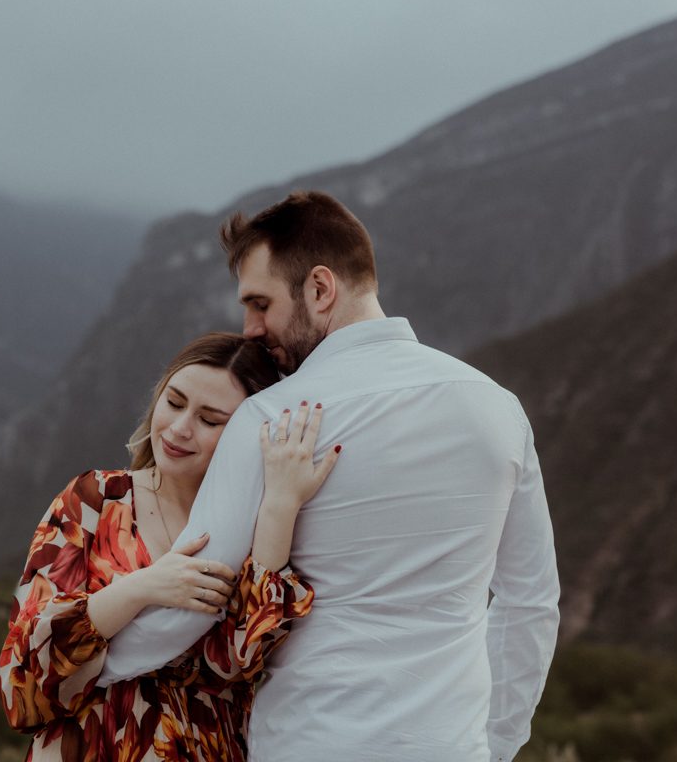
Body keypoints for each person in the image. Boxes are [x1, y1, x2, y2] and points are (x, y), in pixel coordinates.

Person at [99, 192, 560, 762]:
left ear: (320, 289)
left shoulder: (271, 419)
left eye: (260, 303)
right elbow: (530, 601)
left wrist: (87, 661)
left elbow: (195, 600)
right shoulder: (497, 408)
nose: (249, 328)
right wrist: (495, 743)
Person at [0, 332, 342, 760]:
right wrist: (142, 587)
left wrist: (280, 505)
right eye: (175, 403)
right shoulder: (95, 499)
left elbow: (240, 660)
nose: (179, 430)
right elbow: (26, 672)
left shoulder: (250, 527)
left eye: (210, 420)